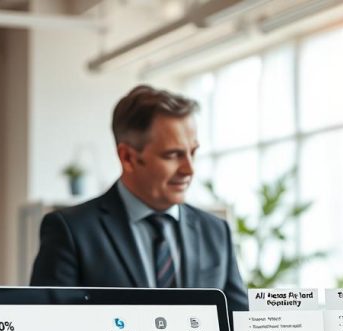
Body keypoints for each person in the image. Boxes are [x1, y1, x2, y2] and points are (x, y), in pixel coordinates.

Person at [30, 85, 249, 313]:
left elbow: (240, 330)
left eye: (192, 152)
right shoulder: (71, 231)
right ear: (128, 158)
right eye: (173, 155)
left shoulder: (215, 232)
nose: (189, 169)